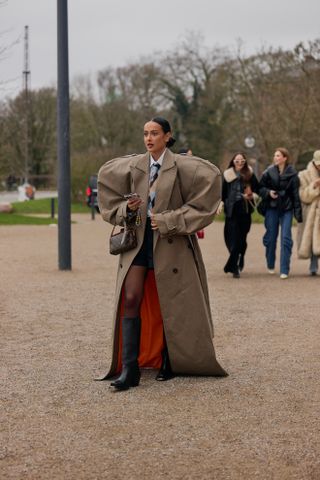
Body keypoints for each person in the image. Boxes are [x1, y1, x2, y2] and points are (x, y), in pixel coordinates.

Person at [97, 116, 227, 391]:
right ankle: (129, 369)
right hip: (139, 243)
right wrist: (128, 210)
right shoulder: (135, 166)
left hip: (172, 245)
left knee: (171, 299)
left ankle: (171, 359)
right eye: (145, 133)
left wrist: (170, 220)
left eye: (154, 133)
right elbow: (109, 195)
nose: (148, 138)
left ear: (168, 136)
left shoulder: (183, 167)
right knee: (130, 297)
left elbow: (207, 197)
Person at [259, 147, 302, 279]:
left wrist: (298, 214)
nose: (275, 158)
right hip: (271, 208)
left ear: (285, 158)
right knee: (271, 238)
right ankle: (270, 263)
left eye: (278, 156)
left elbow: (295, 195)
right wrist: (268, 193)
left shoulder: (293, 174)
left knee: (286, 239)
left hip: (287, 209)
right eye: (275, 155)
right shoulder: (268, 172)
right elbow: (260, 188)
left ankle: (284, 269)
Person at [221, 152, 259, 278]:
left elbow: (257, 189)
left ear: (245, 161)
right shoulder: (227, 175)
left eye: (242, 161)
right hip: (232, 212)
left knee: (242, 240)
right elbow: (223, 193)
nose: (240, 163)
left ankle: (240, 257)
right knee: (233, 239)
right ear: (233, 161)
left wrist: (251, 195)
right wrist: (221, 204)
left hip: (245, 211)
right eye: (237, 161)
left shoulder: (250, 174)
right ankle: (234, 267)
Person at [297, 150, 320, 275]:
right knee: (312, 239)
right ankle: (313, 265)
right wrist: (314, 186)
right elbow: (303, 196)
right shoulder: (303, 175)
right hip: (312, 212)